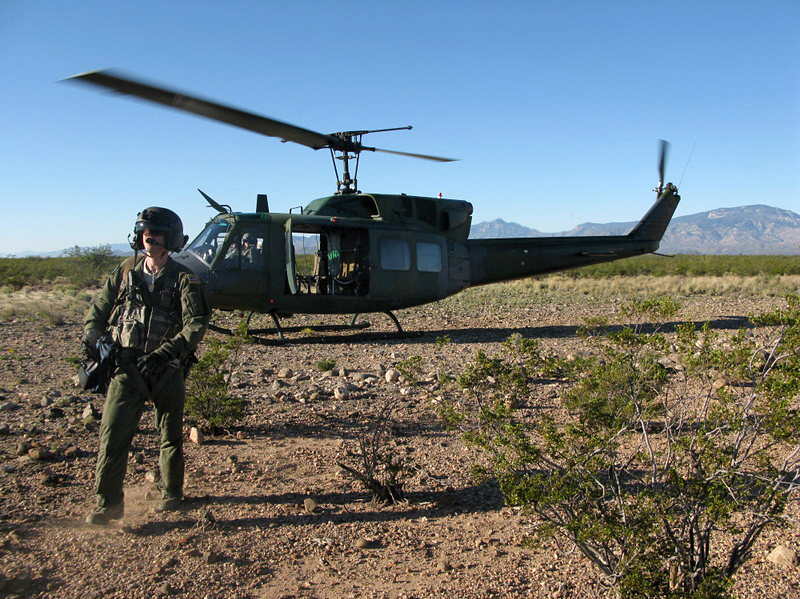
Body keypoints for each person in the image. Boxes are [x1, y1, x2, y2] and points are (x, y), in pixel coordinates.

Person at [81, 207, 210, 525]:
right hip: (126, 368)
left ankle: (172, 493)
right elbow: (96, 314)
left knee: (169, 435)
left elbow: (196, 323)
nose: (149, 239)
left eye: (156, 234)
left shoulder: (184, 277)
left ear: (172, 239)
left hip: (166, 367)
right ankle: (107, 503)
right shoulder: (124, 272)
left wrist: (168, 352)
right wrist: (102, 345)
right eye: (144, 233)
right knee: (112, 436)